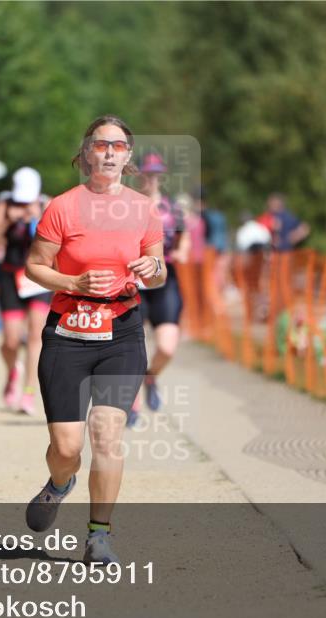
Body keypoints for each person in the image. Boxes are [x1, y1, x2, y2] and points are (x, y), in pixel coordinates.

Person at [23, 114, 165, 564]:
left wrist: (151, 269)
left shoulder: (143, 208)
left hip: (121, 332)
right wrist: (73, 283)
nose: (108, 152)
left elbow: (158, 271)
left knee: (107, 434)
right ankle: (60, 483)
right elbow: (34, 266)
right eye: (100, 144)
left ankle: (98, 534)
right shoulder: (63, 206)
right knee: (67, 448)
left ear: (128, 158)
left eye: (118, 146)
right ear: (85, 153)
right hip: (68, 332)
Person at [0, 167, 52, 415]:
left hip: (39, 277)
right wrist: (8, 219)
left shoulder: (47, 203)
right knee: (10, 341)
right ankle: (13, 370)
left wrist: (39, 217)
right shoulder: (5, 203)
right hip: (10, 276)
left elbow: (59, 242)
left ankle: (29, 394)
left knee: (36, 335)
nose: (24, 204)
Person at [131, 152, 189, 426]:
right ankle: (131, 402)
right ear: (138, 174)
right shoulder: (126, 206)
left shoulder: (172, 209)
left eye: (156, 174)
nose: (152, 178)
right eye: (147, 173)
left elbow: (183, 238)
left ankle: (150, 376)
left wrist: (181, 252)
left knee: (166, 348)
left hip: (165, 280)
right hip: (134, 281)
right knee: (132, 346)